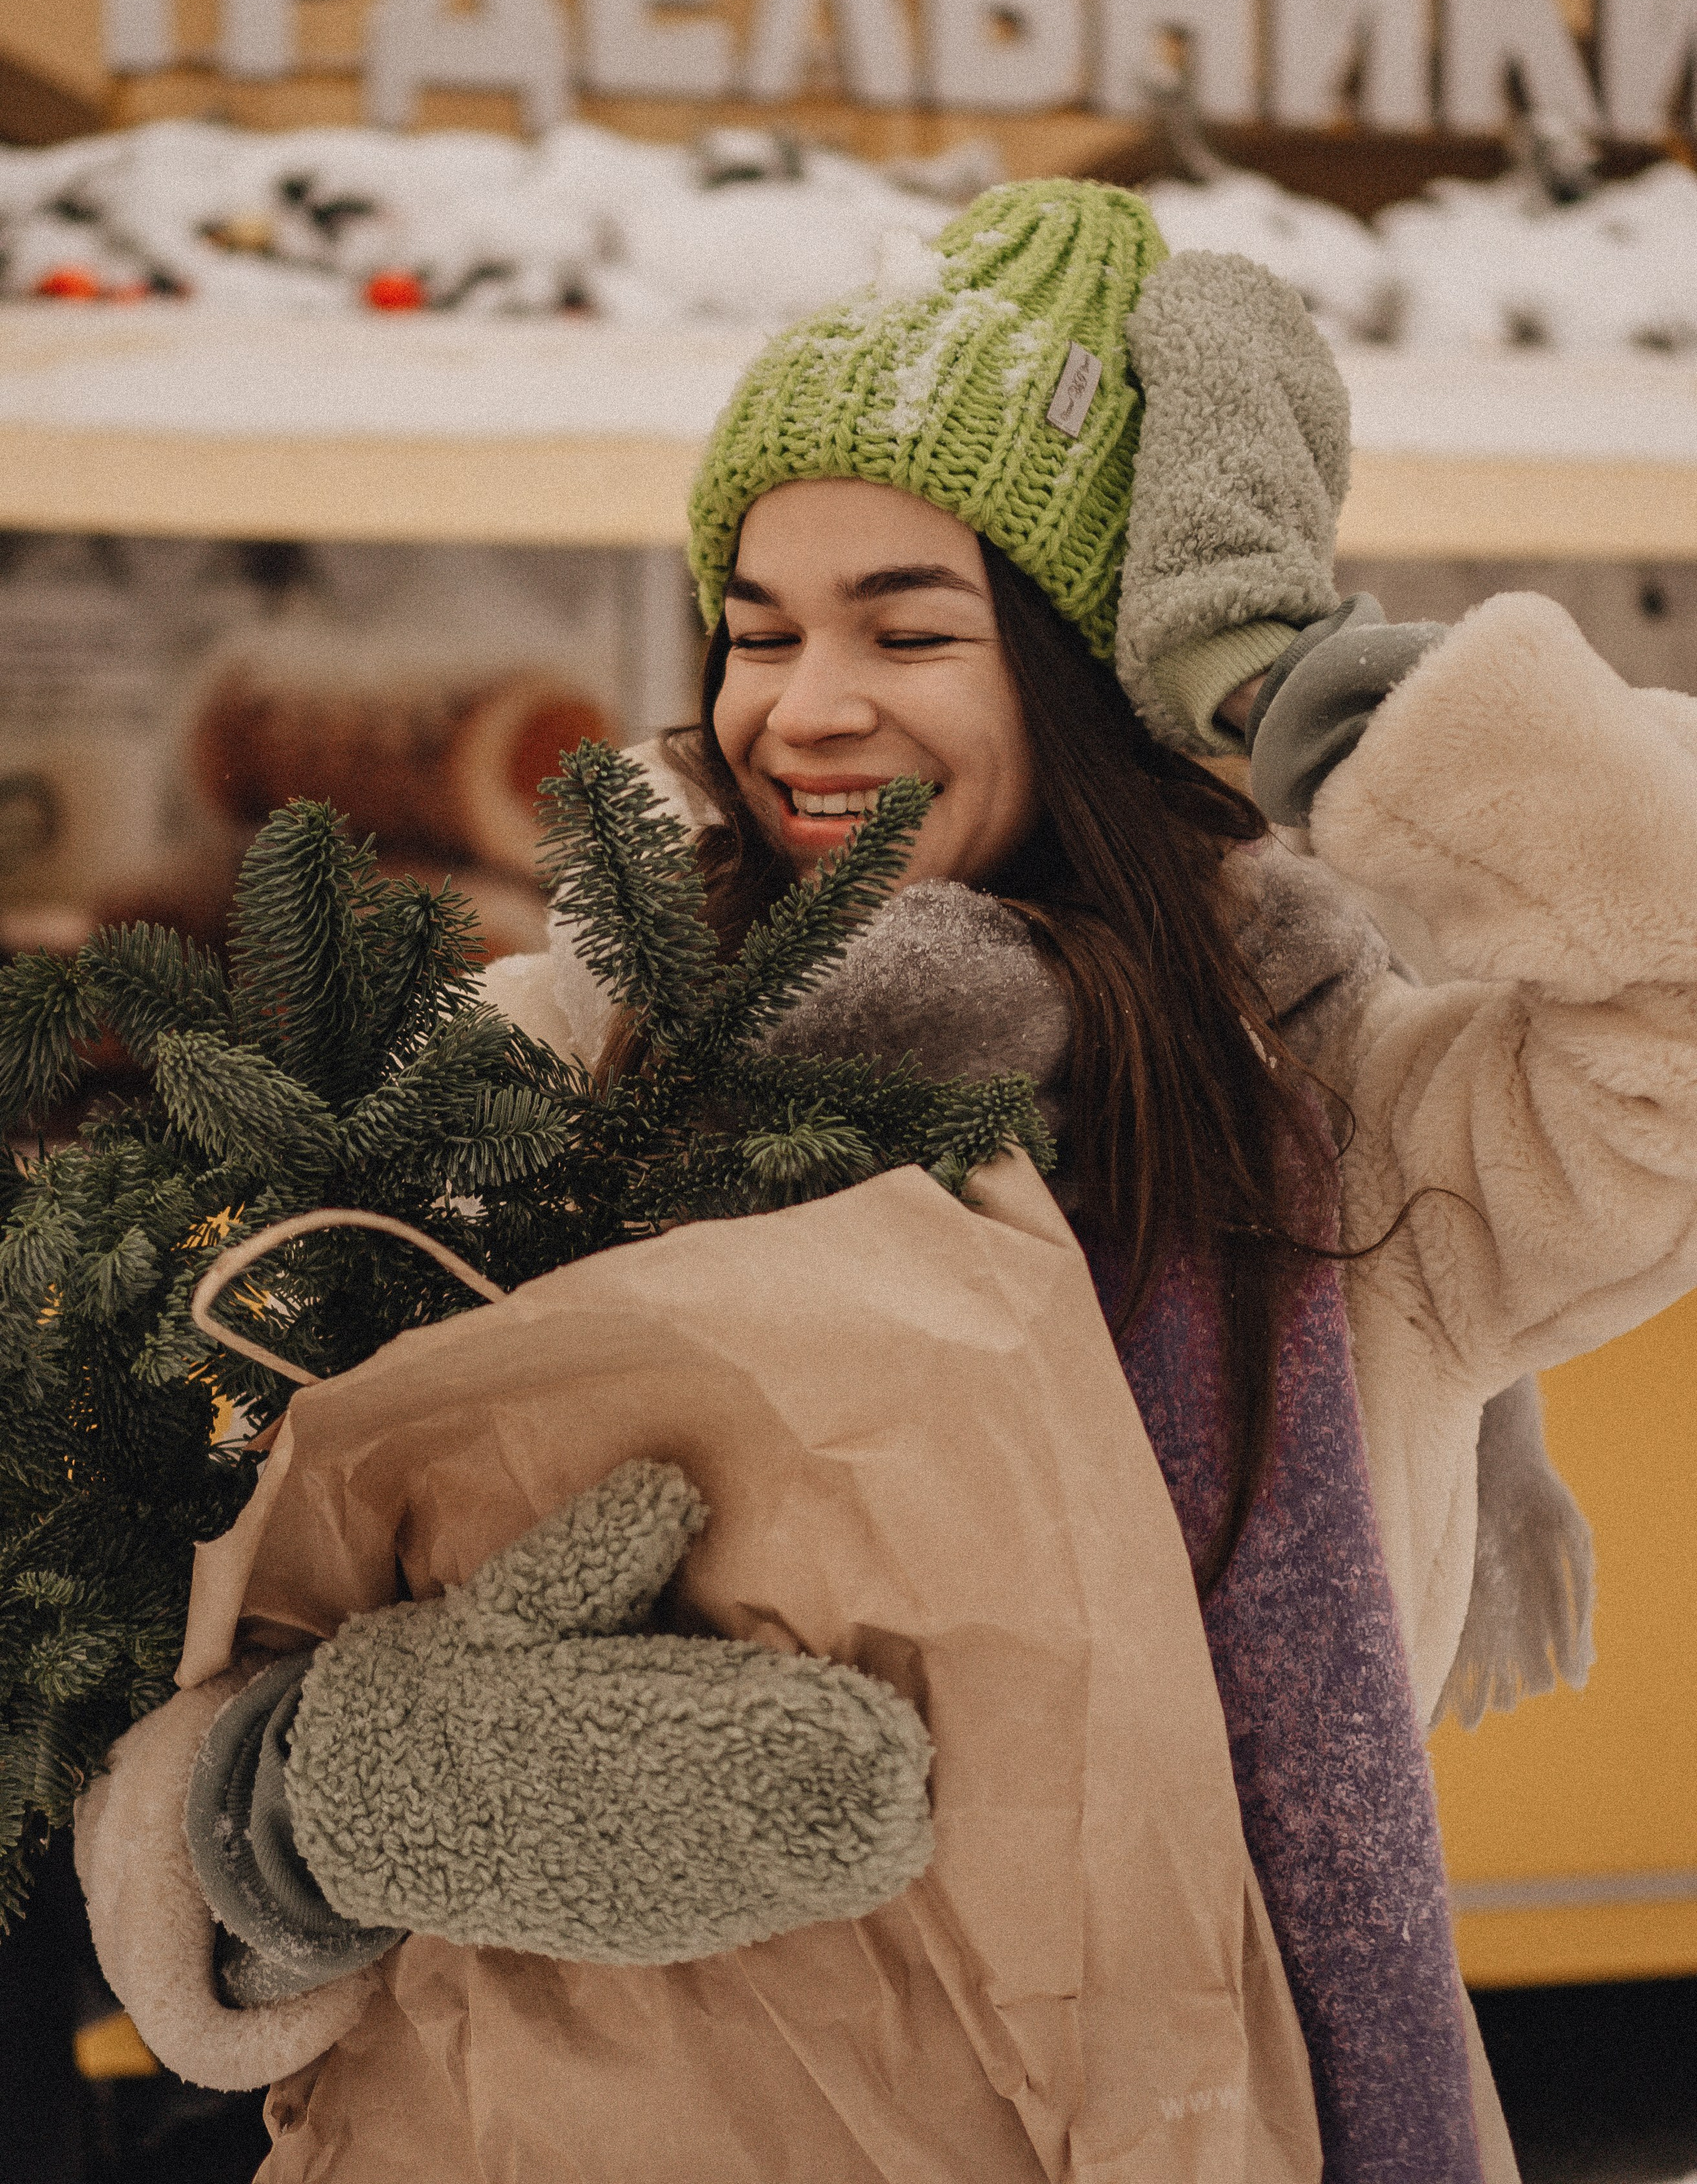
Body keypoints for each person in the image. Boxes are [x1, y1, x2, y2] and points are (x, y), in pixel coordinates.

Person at [78, 180, 1696, 2184]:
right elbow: (135, 1607)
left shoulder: (1352, 1131)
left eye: (909, 630)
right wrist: (310, 1809)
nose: (802, 705)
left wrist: (1283, 677)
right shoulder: (551, 1066)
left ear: (1100, 677)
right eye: (756, 632)